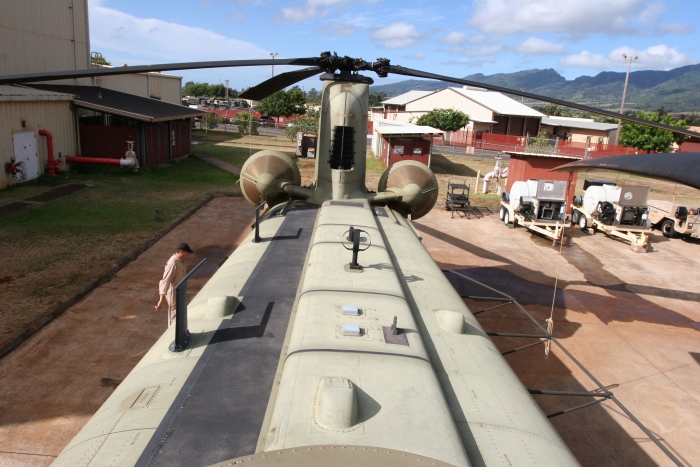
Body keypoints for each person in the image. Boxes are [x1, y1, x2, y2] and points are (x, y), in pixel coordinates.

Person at [155, 243, 193, 327]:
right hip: (173, 291)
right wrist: (161, 301)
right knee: (174, 314)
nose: (188, 255)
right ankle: (173, 335)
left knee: (180, 312)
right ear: (181, 252)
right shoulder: (172, 263)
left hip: (180, 289)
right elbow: (165, 281)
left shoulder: (180, 261)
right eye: (187, 252)